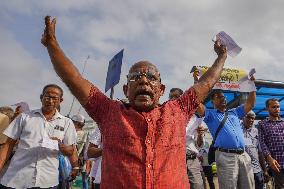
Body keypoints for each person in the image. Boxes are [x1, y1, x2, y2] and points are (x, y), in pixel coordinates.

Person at [41, 15, 227, 188]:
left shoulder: (178, 110)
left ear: (161, 90)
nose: (143, 80)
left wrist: (221, 57)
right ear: (125, 90)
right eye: (135, 76)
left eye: (151, 77)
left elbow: (207, 82)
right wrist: (52, 46)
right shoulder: (108, 112)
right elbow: (74, 79)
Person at [0, 84, 77, 189]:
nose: (50, 101)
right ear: (41, 97)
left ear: (61, 100)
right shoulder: (24, 117)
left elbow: (70, 150)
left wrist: (60, 146)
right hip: (17, 178)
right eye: (47, 97)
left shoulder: (67, 122)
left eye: (54, 98)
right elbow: (8, 145)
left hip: (47, 181)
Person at [196, 88, 256, 189]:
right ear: (212, 101)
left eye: (223, 97)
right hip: (226, 156)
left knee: (248, 186)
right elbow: (197, 103)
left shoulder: (235, 112)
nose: (222, 98)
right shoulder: (210, 114)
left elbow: (250, 104)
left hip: (243, 155)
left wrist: (252, 87)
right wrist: (197, 83)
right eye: (218, 97)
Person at [169, 88, 206, 189]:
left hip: (191, 161)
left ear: (182, 99)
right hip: (172, 161)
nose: (173, 99)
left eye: (176, 96)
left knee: (197, 186)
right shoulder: (164, 117)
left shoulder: (194, 119)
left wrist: (199, 135)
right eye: (170, 97)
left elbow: (199, 145)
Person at [258, 98, 284, 189]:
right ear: (267, 109)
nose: (277, 109)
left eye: (278, 107)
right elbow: (262, 142)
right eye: (273, 107)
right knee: (280, 186)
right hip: (276, 163)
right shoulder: (262, 124)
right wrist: (269, 158)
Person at [242, 110, 270, 189]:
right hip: (243, 170)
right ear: (243, 117)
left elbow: (260, 152)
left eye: (252, 118)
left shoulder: (256, 131)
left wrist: (264, 170)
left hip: (256, 169)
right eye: (248, 117)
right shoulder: (238, 130)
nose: (251, 120)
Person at [71, 114, 91, 189]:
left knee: (70, 180)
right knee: (84, 180)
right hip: (83, 161)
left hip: (72, 161)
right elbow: (87, 151)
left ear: (76, 123)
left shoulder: (71, 134)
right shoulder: (86, 134)